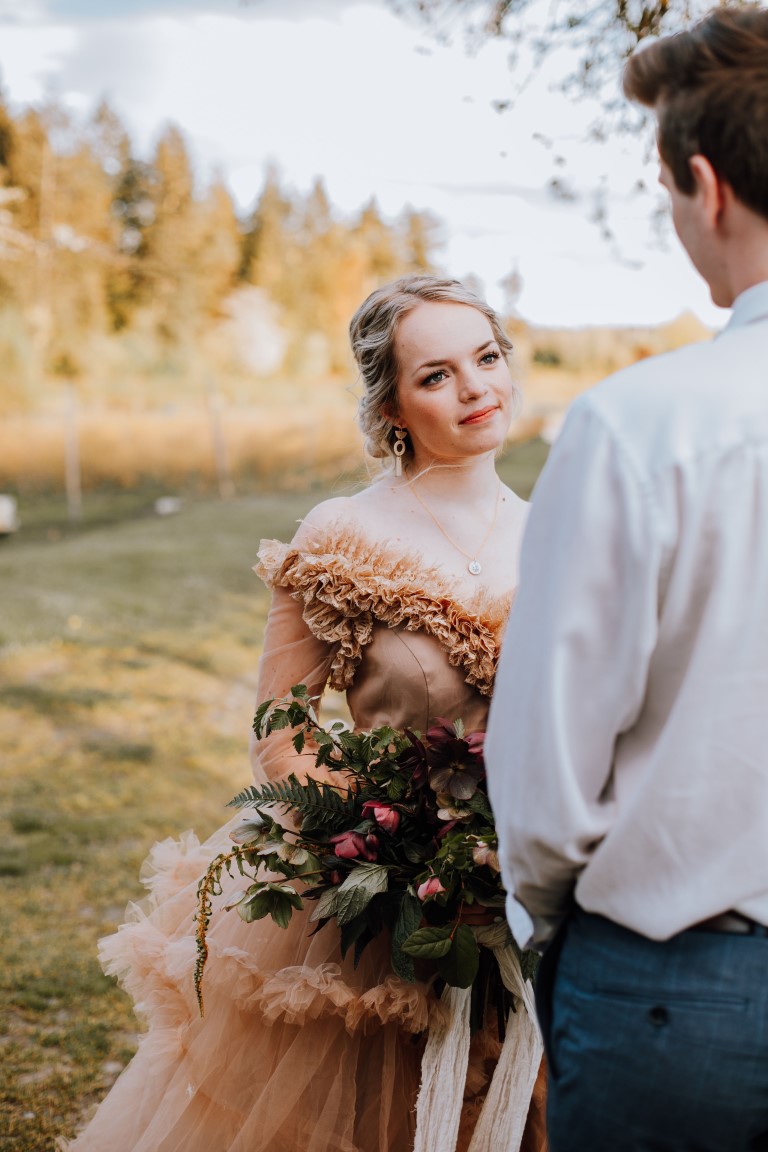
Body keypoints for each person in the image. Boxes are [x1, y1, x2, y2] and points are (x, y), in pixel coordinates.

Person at [63, 273, 547, 1152]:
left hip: (532, 889)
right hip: (379, 894)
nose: (477, 387)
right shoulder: (340, 533)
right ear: (392, 404)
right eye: (435, 374)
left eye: (486, 358)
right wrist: (380, 844)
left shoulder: (558, 530)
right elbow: (279, 729)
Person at [485, 7, 768, 1151]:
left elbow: (549, 768)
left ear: (704, 185)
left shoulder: (636, 425)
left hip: (677, 987)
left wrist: (552, 922)